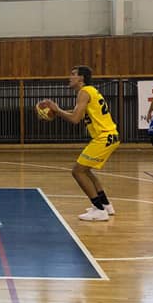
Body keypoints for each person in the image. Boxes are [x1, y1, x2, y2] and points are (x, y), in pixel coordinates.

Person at [43, 66, 119, 222]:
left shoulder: (83, 92)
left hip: (103, 137)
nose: (69, 77)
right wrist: (56, 111)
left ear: (81, 78)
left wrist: (57, 109)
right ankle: (106, 205)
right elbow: (77, 112)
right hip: (110, 135)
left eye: (73, 74)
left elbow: (75, 119)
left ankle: (99, 210)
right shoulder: (90, 91)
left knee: (77, 171)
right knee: (86, 171)